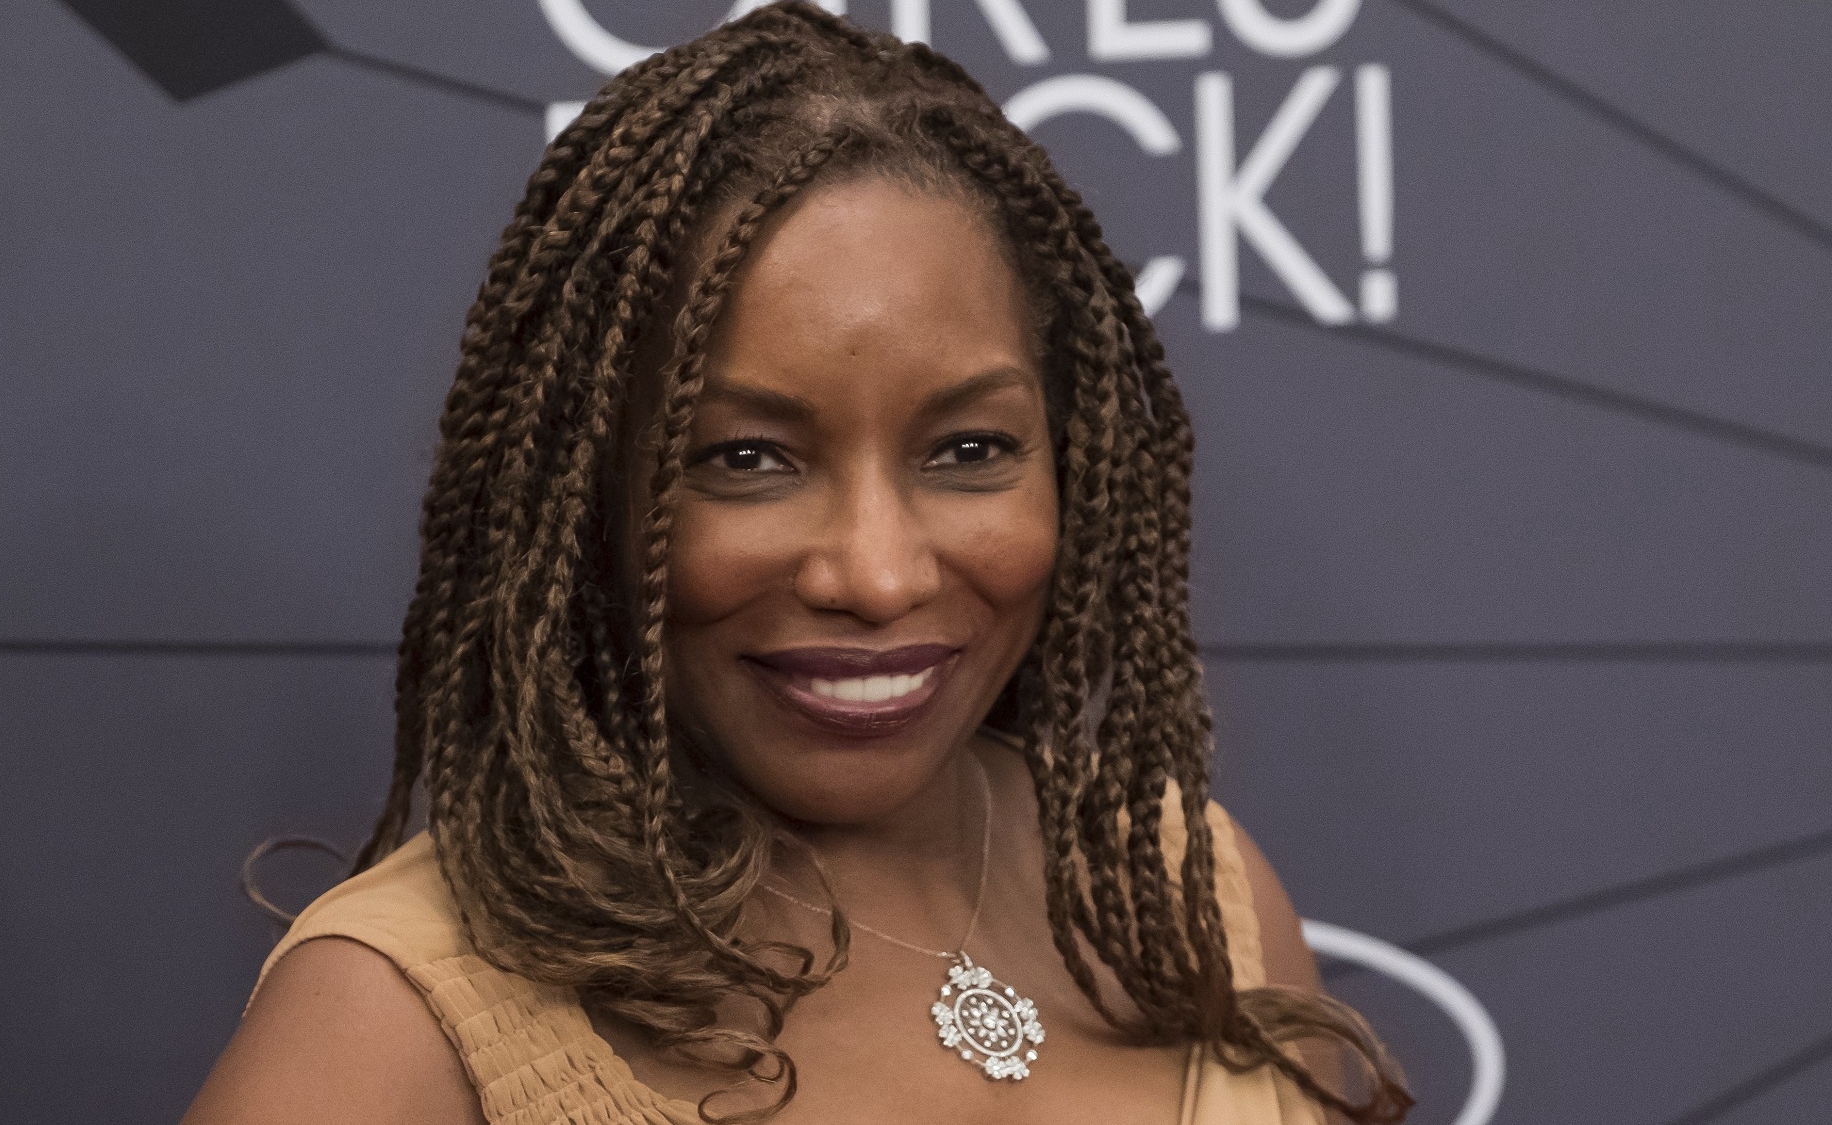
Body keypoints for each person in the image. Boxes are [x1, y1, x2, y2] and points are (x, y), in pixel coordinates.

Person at [182, 5, 1410, 1123]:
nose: (876, 576)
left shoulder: (1186, 884)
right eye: (746, 459)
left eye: (970, 448)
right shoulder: (392, 1030)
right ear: (586, 492)